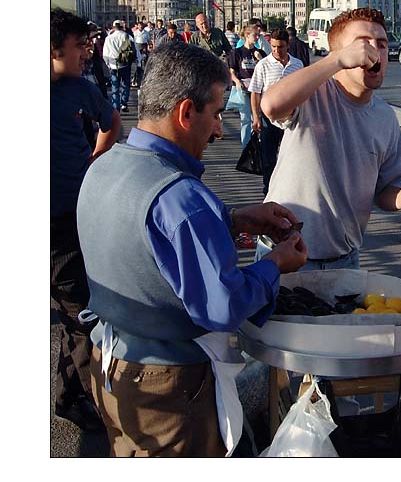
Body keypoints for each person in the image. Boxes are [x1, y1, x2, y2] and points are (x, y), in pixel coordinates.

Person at [76, 42, 307, 457]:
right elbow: (223, 306)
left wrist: (231, 220)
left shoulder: (105, 166)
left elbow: (144, 242)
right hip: (168, 385)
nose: (219, 129)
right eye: (217, 113)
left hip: (109, 363)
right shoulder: (182, 197)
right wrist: (275, 264)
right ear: (185, 112)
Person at [256, 7, 401, 270]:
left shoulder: (385, 117)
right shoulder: (311, 94)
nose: (374, 52)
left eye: (382, 45)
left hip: (344, 259)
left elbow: (385, 190)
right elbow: (270, 105)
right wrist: (335, 61)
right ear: (341, 53)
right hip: (284, 253)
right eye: (362, 44)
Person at [50, 8, 121, 432]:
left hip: (72, 218)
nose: (87, 51)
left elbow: (110, 124)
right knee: (70, 309)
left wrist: (94, 159)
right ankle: (77, 393)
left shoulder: (80, 89)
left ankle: (74, 395)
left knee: (78, 310)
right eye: (79, 45)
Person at [248, 29, 304, 195]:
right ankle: (269, 189)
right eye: (273, 47)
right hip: (269, 117)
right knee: (268, 156)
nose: (276, 51)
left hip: (292, 116)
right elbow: (255, 92)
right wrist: (256, 117)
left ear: (288, 46)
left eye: (280, 47)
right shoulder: (263, 65)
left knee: (292, 155)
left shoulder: (297, 64)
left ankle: (290, 188)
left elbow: (302, 90)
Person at [228, 22, 259, 150]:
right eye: (255, 35)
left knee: (256, 119)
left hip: (256, 89)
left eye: (258, 35)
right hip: (244, 88)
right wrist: (236, 81)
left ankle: (257, 145)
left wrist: (260, 58)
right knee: (246, 119)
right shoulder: (237, 52)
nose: (257, 38)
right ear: (247, 36)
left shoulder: (259, 52)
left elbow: (265, 68)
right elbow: (232, 71)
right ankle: (246, 146)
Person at [102, 19, 135, 113]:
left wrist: (108, 63)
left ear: (113, 27)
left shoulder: (109, 38)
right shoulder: (127, 36)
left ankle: (116, 107)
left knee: (115, 87)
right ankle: (124, 103)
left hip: (113, 65)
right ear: (122, 27)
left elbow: (105, 53)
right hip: (125, 64)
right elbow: (133, 49)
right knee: (126, 84)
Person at [132, 20, 149, 88]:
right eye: (139, 25)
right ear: (138, 26)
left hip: (144, 47)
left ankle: (143, 80)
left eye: (142, 25)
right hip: (137, 47)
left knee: (144, 64)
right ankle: (135, 80)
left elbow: (148, 40)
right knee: (137, 64)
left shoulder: (146, 33)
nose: (141, 26)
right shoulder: (135, 33)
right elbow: (134, 41)